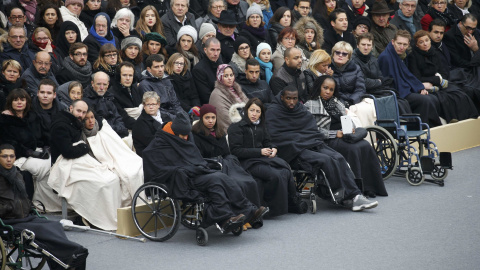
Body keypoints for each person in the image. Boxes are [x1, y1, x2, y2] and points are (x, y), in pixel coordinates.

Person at [143, 111, 268, 233]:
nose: (186, 138)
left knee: (221, 178)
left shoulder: (185, 136)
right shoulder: (159, 144)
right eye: (183, 136)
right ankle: (227, 217)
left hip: (195, 172)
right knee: (216, 180)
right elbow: (158, 168)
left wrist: (200, 166)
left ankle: (246, 212)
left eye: (187, 135)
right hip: (180, 178)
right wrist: (187, 169)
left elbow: (194, 157)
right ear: (175, 132)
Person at [265, 86, 379, 211]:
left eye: (294, 99)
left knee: (338, 157)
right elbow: (275, 136)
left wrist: (306, 139)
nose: (292, 102)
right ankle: (346, 196)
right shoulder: (273, 111)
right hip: (293, 150)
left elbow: (312, 129)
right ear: (281, 97)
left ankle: (355, 195)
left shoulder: (301, 109)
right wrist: (299, 140)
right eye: (288, 98)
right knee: (325, 160)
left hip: (311, 143)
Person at [0, 144, 88, 270]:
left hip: (26, 216)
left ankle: (69, 255)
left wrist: (28, 207)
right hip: (9, 221)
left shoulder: (18, 174)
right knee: (43, 230)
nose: (9, 159)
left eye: (11, 156)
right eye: (4, 156)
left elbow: (24, 198)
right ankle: (72, 253)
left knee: (55, 225)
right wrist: (9, 207)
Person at [305, 75, 388, 197]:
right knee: (353, 149)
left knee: (365, 145)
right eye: (325, 88)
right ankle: (356, 189)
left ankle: (369, 187)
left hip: (345, 135)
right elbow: (311, 130)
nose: (328, 92)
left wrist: (351, 128)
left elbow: (346, 119)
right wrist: (334, 133)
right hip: (328, 140)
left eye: (331, 89)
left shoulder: (337, 102)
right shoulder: (309, 105)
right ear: (319, 87)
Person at [48, 100, 122, 230]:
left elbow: (96, 117)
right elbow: (67, 152)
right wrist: (84, 147)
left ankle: (107, 216)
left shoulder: (75, 121)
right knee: (102, 183)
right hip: (64, 163)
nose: (81, 115)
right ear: (71, 108)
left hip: (79, 159)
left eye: (83, 112)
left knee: (113, 178)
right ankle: (94, 217)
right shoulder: (61, 125)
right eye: (78, 111)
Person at [228, 97, 307, 216]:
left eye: (258, 111)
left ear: (261, 113)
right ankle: (270, 207)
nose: (254, 114)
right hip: (246, 162)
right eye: (251, 110)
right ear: (246, 110)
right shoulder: (236, 127)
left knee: (286, 170)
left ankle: (291, 201)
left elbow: (268, 142)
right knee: (275, 175)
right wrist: (259, 151)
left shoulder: (261, 126)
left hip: (261, 159)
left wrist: (274, 148)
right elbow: (236, 151)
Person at [192, 104, 262, 220]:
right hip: (211, 166)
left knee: (249, 181)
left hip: (225, 163)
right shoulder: (196, 135)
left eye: (213, 118)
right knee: (236, 183)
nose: (210, 121)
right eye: (207, 118)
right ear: (201, 118)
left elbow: (226, 152)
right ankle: (241, 216)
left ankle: (252, 215)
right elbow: (199, 158)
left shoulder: (220, 132)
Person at [0, 89, 57, 210]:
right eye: (15, 100)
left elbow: (43, 135)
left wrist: (47, 147)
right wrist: (29, 152)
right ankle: (35, 204)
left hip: (37, 150)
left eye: (22, 99)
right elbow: (8, 143)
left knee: (55, 163)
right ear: (10, 102)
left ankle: (49, 204)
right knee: (43, 167)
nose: (19, 102)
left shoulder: (32, 116)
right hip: (18, 156)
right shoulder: (4, 120)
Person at [407, 30, 478, 122]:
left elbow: (443, 71)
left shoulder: (434, 52)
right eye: (421, 42)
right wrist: (436, 80)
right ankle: (452, 120)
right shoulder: (413, 56)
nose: (425, 44)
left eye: (427, 40)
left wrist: (441, 80)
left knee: (460, 94)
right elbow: (416, 77)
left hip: (440, 83)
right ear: (416, 45)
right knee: (444, 99)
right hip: (427, 86)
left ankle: (468, 119)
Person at [378, 30, 442, 127]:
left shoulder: (404, 54)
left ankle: (430, 126)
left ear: (408, 45)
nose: (401, 47)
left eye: (404, 44)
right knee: (425, 100)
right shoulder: (386, 57)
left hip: (405, 89)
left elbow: (407, 75)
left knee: (432, 98)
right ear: (392, 42)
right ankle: (422, 128)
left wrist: (419, 87)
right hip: (398, 93)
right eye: (399, 43)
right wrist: (416, 89)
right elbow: (393, 81)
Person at [80, 109, 143, 207]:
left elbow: (115, 146)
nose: (90, 121)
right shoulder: (81, 135)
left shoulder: (102, 129)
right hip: (99, 164)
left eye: (92, 117)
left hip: (118, 158)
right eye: (86, 119)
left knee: (134, 171)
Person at [83, 71, 129, 138]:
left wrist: (120, 129)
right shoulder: (85, 102)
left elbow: (118, 117)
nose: (101, 88)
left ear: (108, 85)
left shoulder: (109, 97)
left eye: (104, 84)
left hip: (115, 131)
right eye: (98, 84)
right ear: (92, 83)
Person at [138, 54, 184, 119]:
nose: (160, 69)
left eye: (162, 66)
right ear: (149, 69)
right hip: (160, 119)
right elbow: (154, 109)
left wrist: (182, 115)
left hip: (173, 115)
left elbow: (175, 103)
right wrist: (175, 118)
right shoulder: (145, 84)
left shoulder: (167, 80)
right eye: (156, 67)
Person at [209, 64, 249, 133]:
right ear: (220, 77)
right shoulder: (216, 95)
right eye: (226, 76)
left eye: (231, 75)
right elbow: (225, 119)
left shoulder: (237, 89)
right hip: (233, 132)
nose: (230, 78)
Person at [132, 91, 172, 157]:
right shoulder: (140, 123)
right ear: (144, 106)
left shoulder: (165, 116)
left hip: (166, 148)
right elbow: (153, 143)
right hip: (151, 154)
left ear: (158, 105)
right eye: (148, 104)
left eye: (153, 104)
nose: (151, 107)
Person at [31, 79, 66, 150]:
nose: (45, 95)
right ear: (37, 93)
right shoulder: (29, 109)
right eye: (42, 92)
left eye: (49, 93)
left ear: (54, 95)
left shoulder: (62, 111)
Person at [110, 62, 143, 130]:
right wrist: (141, 127)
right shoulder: (112, 93)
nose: (128, 78)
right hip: (126, 127)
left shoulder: (135, 88)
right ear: (119, 76)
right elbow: (122, 116)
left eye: (130, 75)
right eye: (124, 75)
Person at [193, 37, 224, 104]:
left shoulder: (222, 65)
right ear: (205, 50)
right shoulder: (198, 70)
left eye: (218, 50)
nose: (215, 53)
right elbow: (206, 96)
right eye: (212, 50)